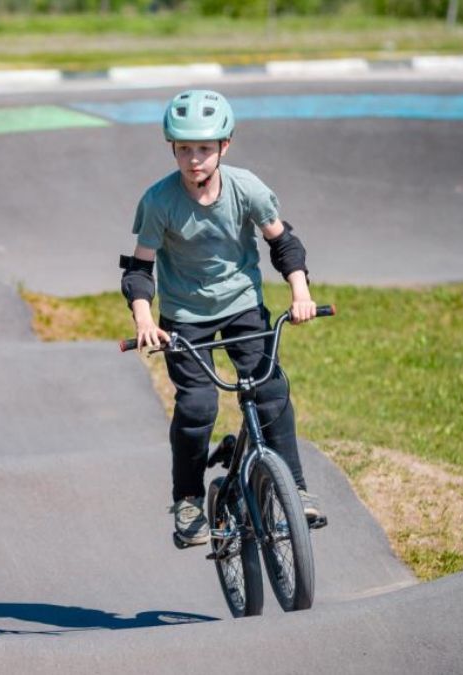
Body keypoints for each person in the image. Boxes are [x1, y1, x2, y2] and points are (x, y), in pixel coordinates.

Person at [120, 89, 324, 546]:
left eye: (205, 149)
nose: (195, 160)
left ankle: (297, 488)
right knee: (198, 406)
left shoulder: (246, 187)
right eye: (185, 149)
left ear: (224, 147)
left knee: (270, 389)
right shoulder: (159, 201)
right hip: (184, 316)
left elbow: (283, 242)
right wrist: (144, 320)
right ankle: (188, 500)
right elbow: (139, 269)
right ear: (172, 147)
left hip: (242, 305)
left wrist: (301, 293)